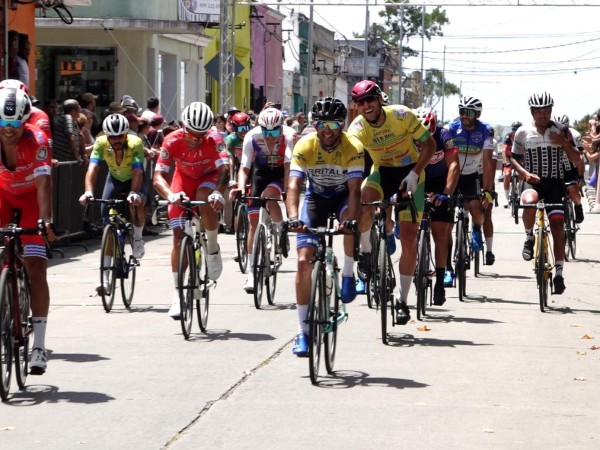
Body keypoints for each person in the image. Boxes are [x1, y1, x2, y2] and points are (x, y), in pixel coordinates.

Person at [347, 80, 435, 325]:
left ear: (379, 99)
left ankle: (403, 301)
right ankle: (366, 252)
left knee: (408, 237)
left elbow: (430, 145)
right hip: (382, 172)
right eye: (360, 102)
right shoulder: (357, 128)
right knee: (365, 200)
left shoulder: (401, 115)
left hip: (411, 172)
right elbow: (350, 156)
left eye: (370, 100)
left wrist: (416, 172)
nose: (366, 106)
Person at [286, 97, 363, 356]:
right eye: (321, 123)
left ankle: (349, 274)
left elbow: (354, 191)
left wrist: (349, 222)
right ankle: (303, 332)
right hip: (316, 199)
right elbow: (294, 185)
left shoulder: (353, 146)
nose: (327, 129)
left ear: (342, 124)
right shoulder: (305, 145)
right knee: (302, 261)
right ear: (314, 124)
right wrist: (294, 217)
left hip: (342, 197)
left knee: (352, 225)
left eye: (333, 123)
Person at [153, 102, 230, 319]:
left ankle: (213, 248)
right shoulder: (172, 140)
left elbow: (224, 170)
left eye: (201, 136)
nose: (196, 140)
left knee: (204, 198)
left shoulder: (215, 140)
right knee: (178, 236)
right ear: (184, 128)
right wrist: (170, 195)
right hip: (182, 181)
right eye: (192, 135)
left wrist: (219, 192)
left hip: (208, 179)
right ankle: (178, 295)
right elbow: (158, 176)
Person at [0, 86, 55, 374]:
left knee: (36, 267)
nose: (9, 129)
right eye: (3, 123)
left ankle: (39, 347)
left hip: (32, 197)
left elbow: (44, 183)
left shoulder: (37, 138)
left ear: (26, 120)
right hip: (3, 195)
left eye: (15, 123)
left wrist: (45, 220)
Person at [510, 92, 581, 295]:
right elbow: (513, 157)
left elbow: (576, 159)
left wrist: (564, 143)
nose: (543, 115)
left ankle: (558, 274)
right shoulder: (523, 132)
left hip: (555, 184)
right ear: (532, 112)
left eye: (547, 111)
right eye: (539, 112)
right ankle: (529, 237)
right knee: (529, 201)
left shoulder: (561, 130)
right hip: (533, 182)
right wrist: (524, 173)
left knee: (558, 224)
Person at [228, 107, 294, 293]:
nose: (271, 135)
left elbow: (289, 168)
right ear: (260, 128)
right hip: (261, 172)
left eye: (275, 131)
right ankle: (251, 272)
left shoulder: (289, 136)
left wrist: (288, 190)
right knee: (253, 223)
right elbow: (245, 168)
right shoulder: (252, 136)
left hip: (280, 172)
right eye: (267, 131)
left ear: (281, 128)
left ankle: (280, 227)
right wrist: (241, 187)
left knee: (269, 197)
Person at [79, 114, 147, 270]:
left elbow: (137, 171)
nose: (116, 140)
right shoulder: (101, 142)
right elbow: (93, 168)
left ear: (126, 134)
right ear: (106, 136)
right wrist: (88, 191)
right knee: (107, 222)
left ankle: (137, 237)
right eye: (112, 137)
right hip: (115, 179)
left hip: (134, 178)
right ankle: (106, 278)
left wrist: (133, 192)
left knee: (139, 203)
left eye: (120, 136)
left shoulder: (135, 142)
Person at [445, 96, 494, 287]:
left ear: (478, 114)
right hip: (453, 175)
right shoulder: (452, 128)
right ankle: (448, 267)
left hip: (472, 175)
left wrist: (488, 190)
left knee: (477, 209)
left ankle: (476, 228)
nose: (465, 116)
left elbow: (489, 163)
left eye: (469, 112)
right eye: (462, 111)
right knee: (446, 224)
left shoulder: (485, 131)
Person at [413, 107, 459, 306]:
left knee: (440, 233)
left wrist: (446, 193)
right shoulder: (406, 136)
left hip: (440, 182)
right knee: (410, 229)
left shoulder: (444, 135)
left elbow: (454, 166)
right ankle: (416, 264)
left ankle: (440, 280)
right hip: (417, 180)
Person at [554, 114, 585, 223]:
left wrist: (581, 176)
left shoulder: (574, 135)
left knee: (573, 190)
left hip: (570, 166)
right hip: (555, 168)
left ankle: (578, 205)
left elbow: (580, 158)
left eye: (563, 129)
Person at [52, 99, 88, 164]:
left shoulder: (73, 121)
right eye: (79, 106)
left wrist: (83, 155)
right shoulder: (68, 117)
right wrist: (77, 157)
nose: (80, 109)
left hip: (68, 162)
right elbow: (71, 137)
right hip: (63, 162)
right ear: (73, 110)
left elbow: (80, 137)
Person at [502, 121, 522, 207]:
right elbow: (504, 150)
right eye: (514, 130)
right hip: (509, 158)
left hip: (520, 157)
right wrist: (506, 160)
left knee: (522, 173)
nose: (516, 132)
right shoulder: (508, 136)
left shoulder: (523, 136)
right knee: (507, 175)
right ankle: (506, 198)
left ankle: (520, 191)